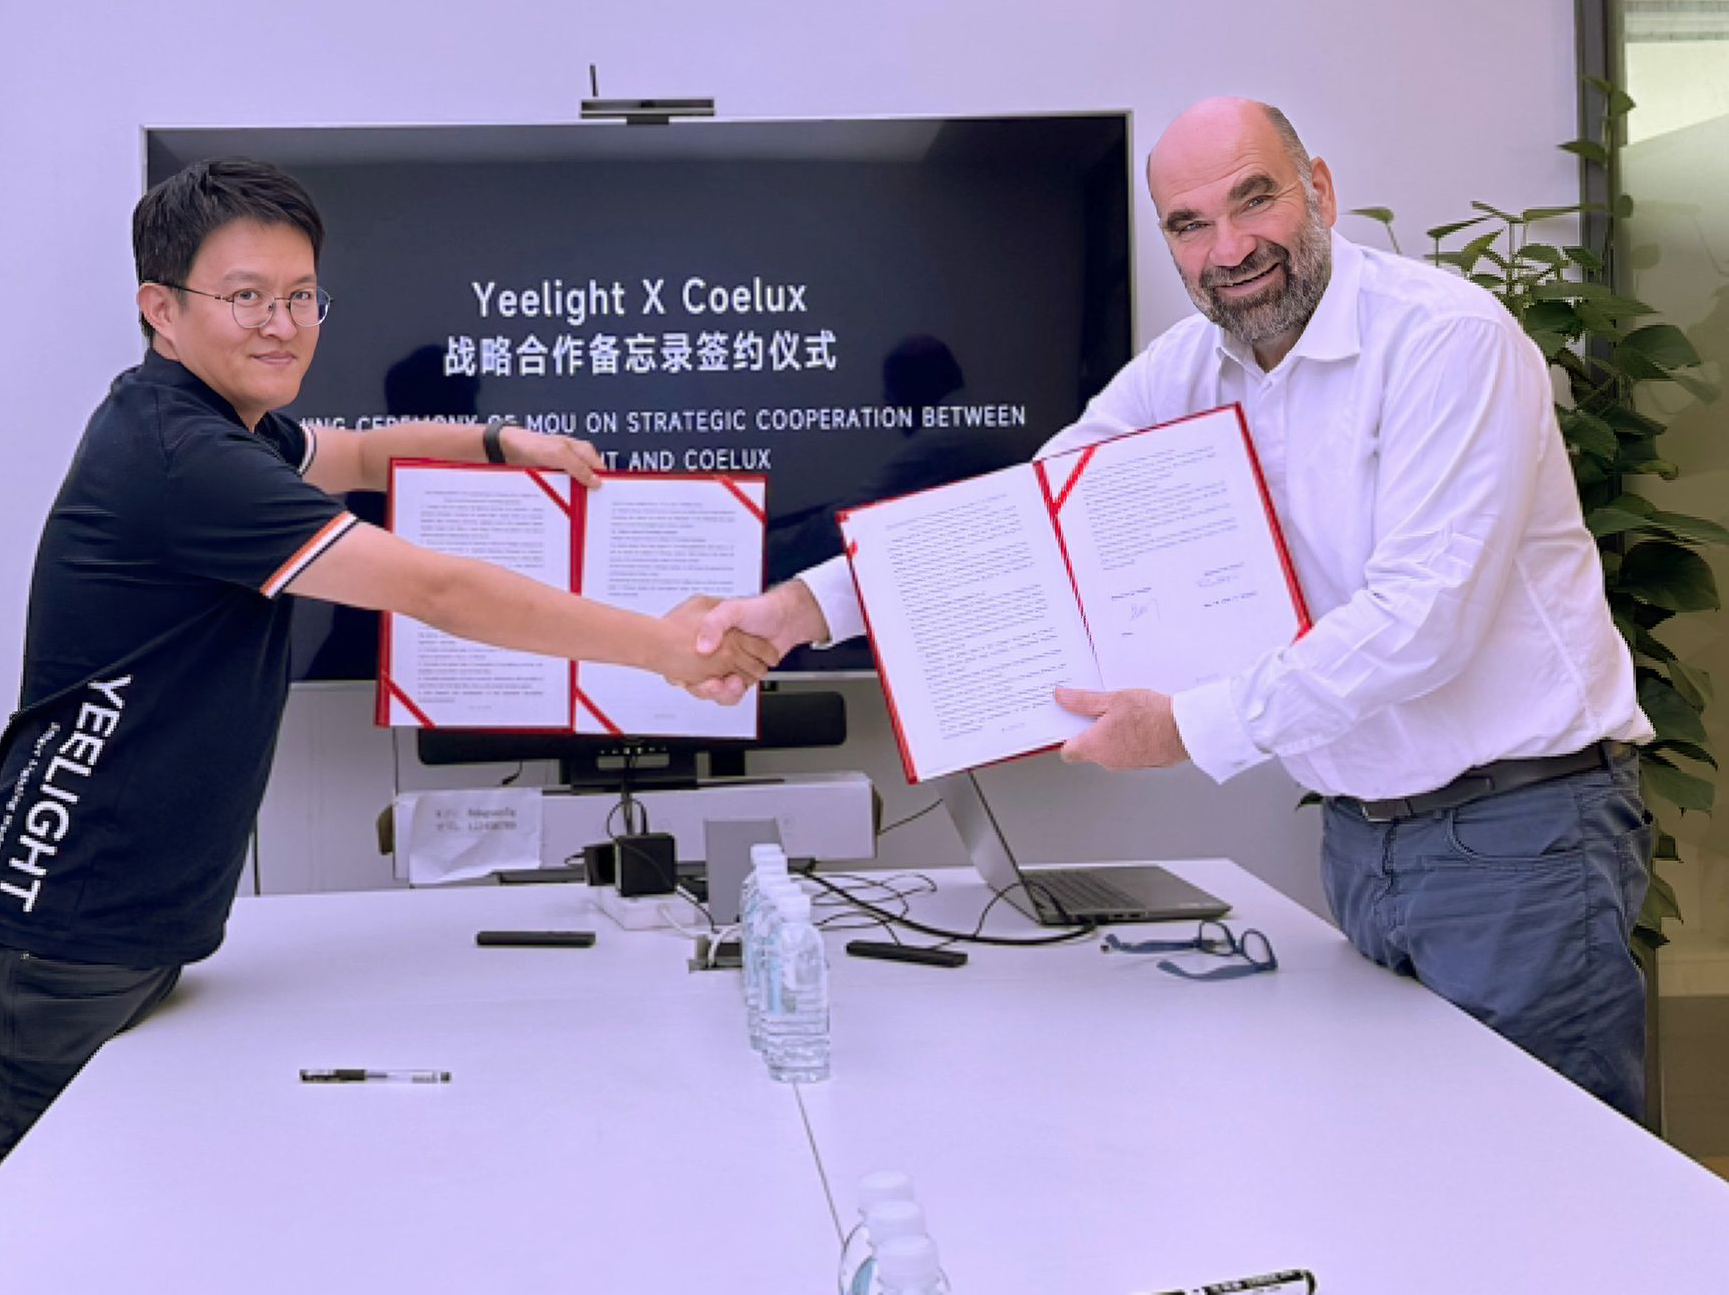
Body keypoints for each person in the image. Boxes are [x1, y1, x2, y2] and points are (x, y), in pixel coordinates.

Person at [688, 98, 1658, 1120]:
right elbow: (1028, 517)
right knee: (1424, 1149)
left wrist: (1184, 726)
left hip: (1520, 835)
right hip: (1365, 841)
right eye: (1191, 224)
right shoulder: (1191, 369)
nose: (1229, 249)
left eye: (1255, 201)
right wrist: (804, 606)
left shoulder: (1445, 340)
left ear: (1320, 191)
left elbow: (1425, 618)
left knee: (1545, 1164)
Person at [0, 158, 775, 1201]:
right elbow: (438, 590)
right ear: (161, 308)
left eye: (301, 297)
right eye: (247, 296)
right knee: (46, 1237)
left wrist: (503, 443)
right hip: (53, 942)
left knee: (139, 1216)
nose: (282, 325)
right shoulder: (185, 460)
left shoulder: (206, 420)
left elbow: (365, 457)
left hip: (109, 929)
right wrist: (666, 648)